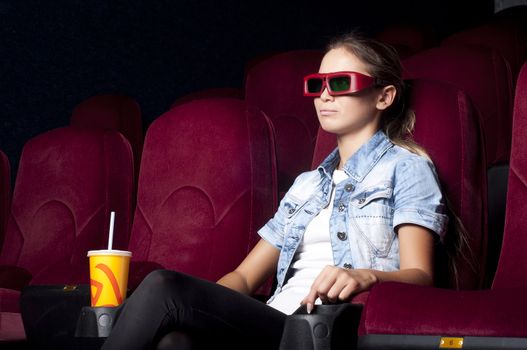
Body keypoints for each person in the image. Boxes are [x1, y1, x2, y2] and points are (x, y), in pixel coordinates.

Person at [100, 32, 449, 350]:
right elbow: (244, 276)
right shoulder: (307, 184)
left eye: (341, 82)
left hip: (318, 328)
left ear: (384, 96)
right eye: (318, 85)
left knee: (164, 287)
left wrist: (364, 276)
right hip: (271, 319)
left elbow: (421, 276)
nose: (325, 95)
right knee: (176, 341)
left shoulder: (407, 167)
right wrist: (199, 307)